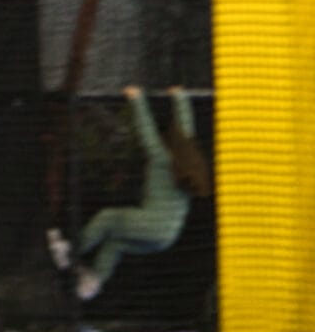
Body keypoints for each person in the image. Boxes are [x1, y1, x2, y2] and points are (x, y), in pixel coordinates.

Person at [48, 86, 208, 304]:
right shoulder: (188, 166)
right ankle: (93, 282)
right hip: (167, 237)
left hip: (151, 224)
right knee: (116, 244)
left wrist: (136, 98)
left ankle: (71, 252)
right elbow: (186, 132)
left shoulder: (161, 158)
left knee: (108, 218)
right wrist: (180, 98)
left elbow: (147, 132)